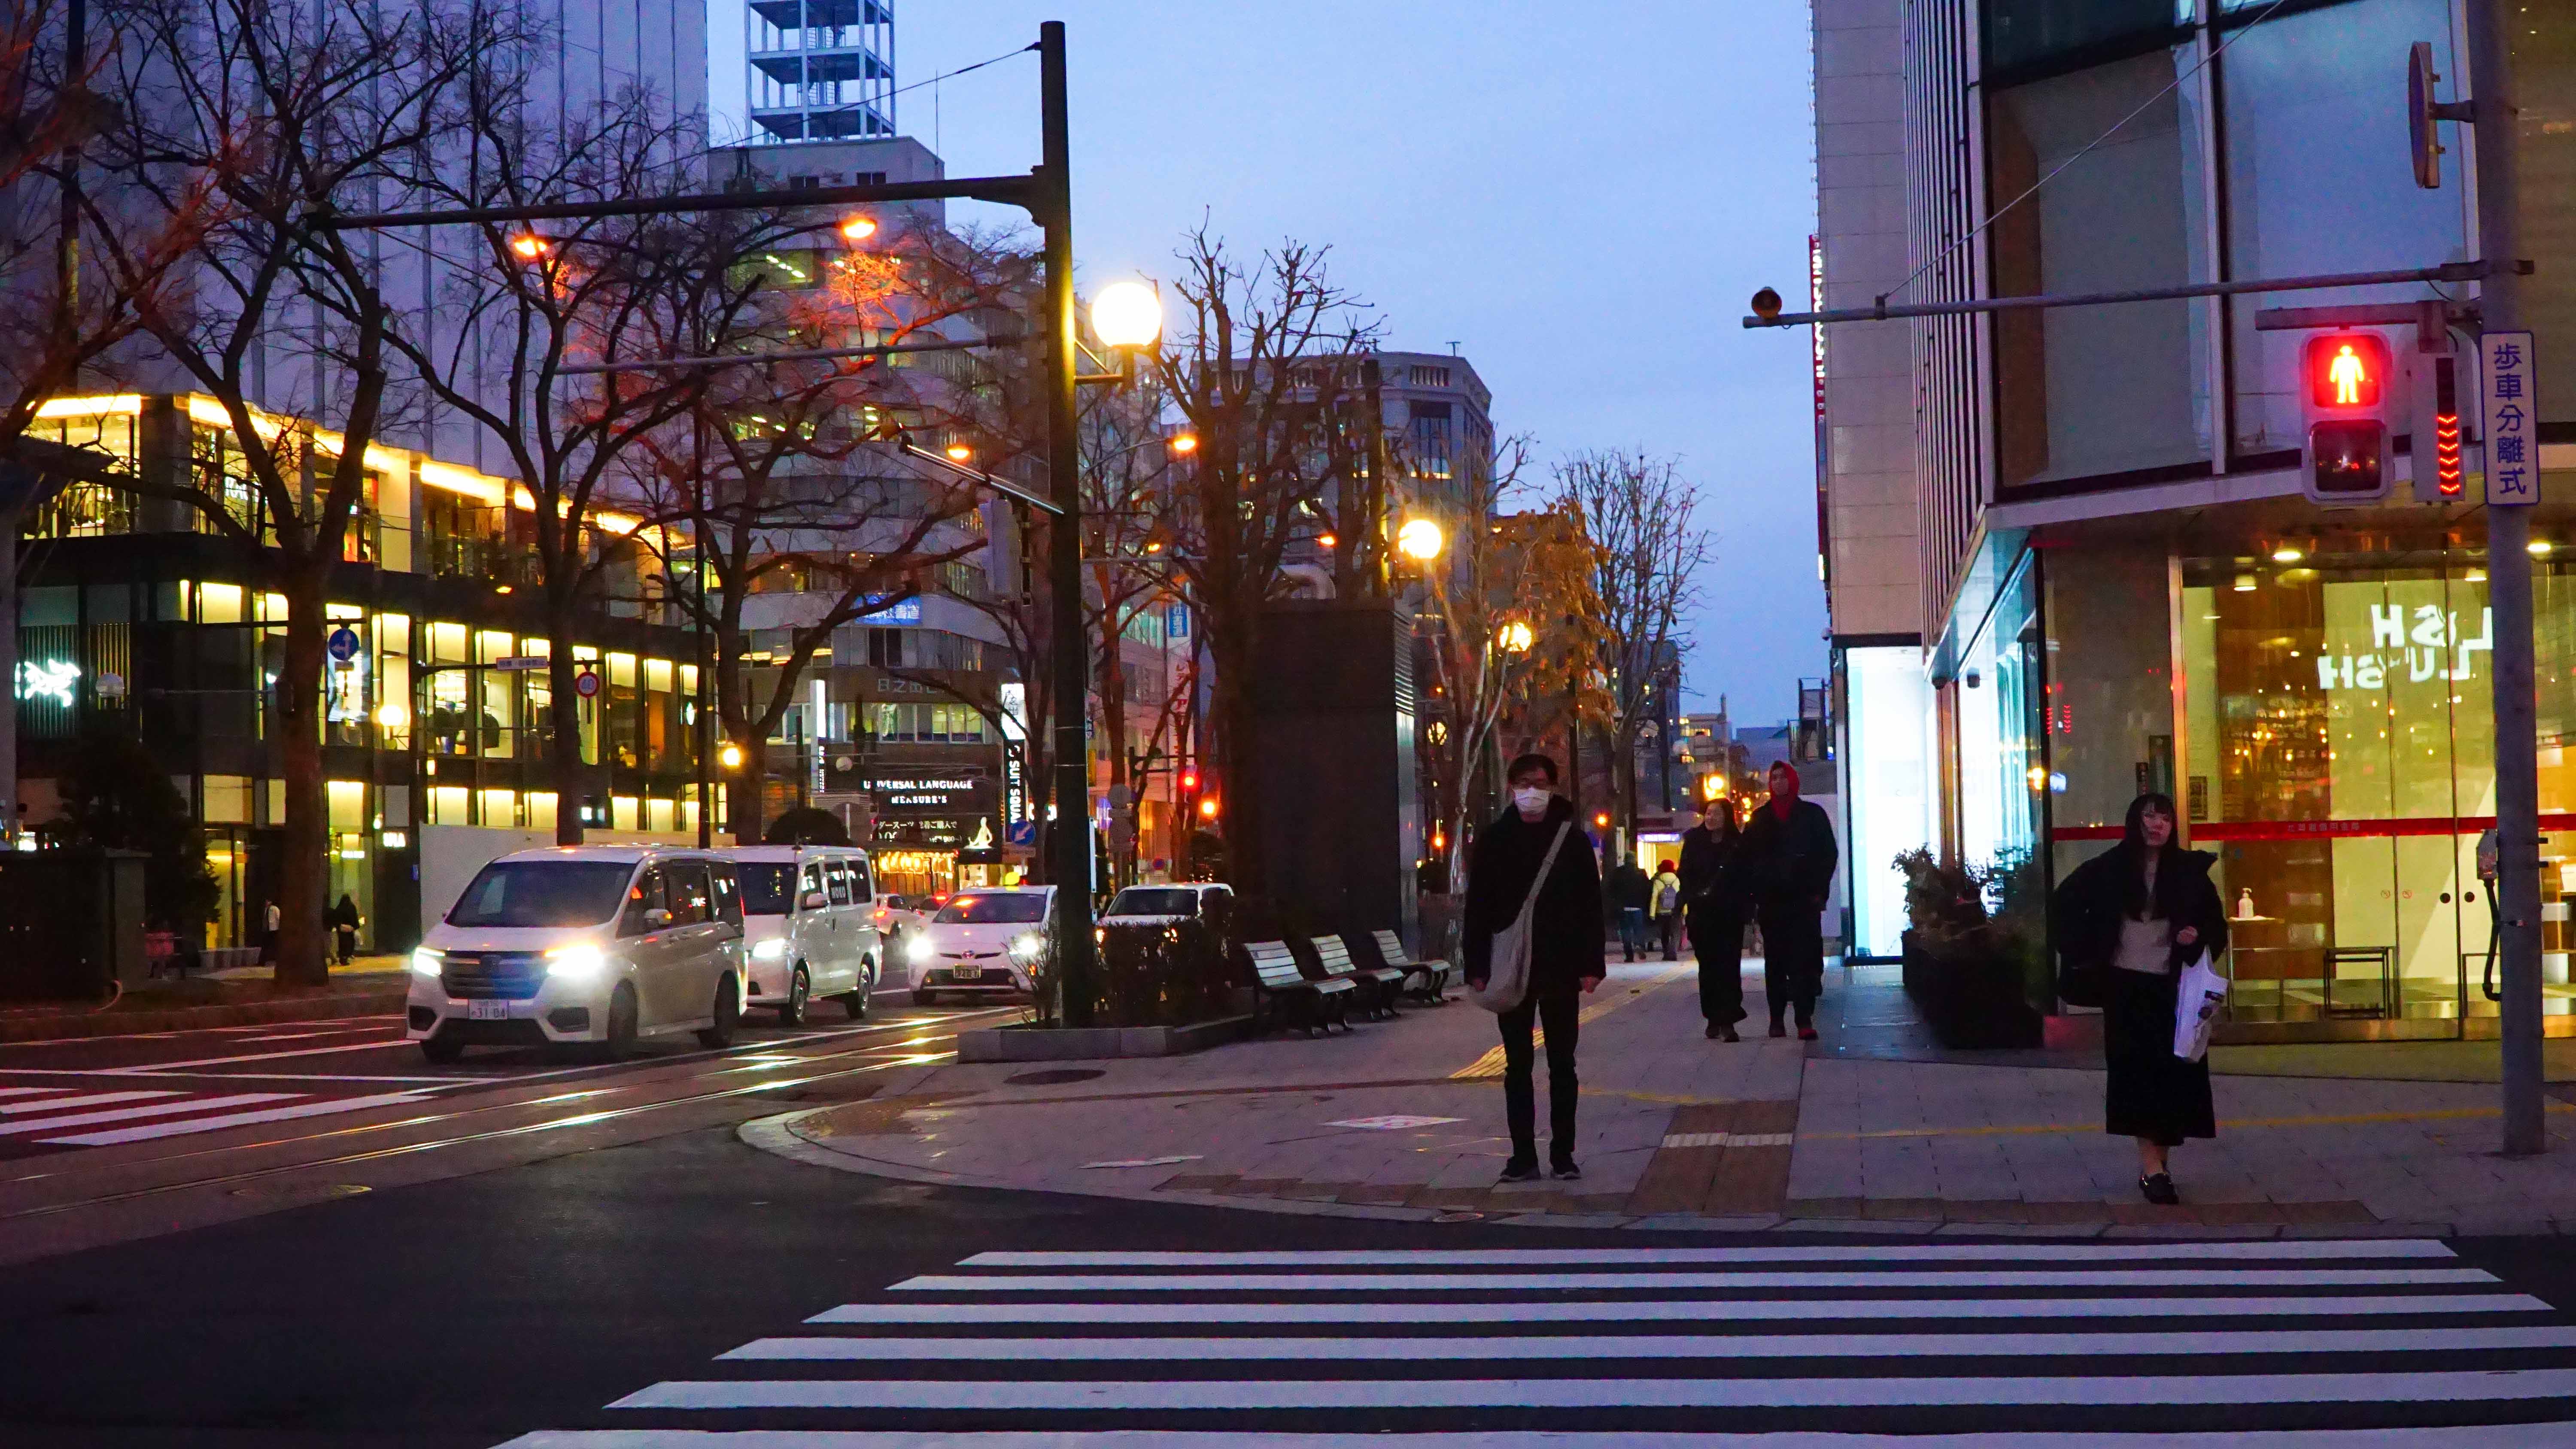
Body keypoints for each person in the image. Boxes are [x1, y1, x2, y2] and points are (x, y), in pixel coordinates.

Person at [2054, 792, 2227, 1206]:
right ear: (2135, 821)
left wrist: (2195, 936)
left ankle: (2158, 1167)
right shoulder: (2109, 868)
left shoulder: (2188, 871)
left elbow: (2214, 924)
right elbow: (2064, 904)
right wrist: (2089, 950)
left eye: (2164, 818)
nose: (2157, 825)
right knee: (2136, 1075)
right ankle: (2153, 1169)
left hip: (2174, 989)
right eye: (2149, 817)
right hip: (2125, 987)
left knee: (2171, 1076)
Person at [1462, 752, 1606, 1182]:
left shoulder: (1572, 840)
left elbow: (1591, 906)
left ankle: (1563, 1154)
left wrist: (1591, 965)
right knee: (1517, 1066)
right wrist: (1477, 966)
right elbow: (1478, 907)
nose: (1532, 792)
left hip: (1561, 965)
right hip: (1512, 966)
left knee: (1563, 1064)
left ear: (1552, 788)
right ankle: (1523, 1155)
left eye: (1540, 784)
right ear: (1511, 787)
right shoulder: (1495, 840)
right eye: (1524, 783)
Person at [1738, 760, 1838, 1040]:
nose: (1779, 782)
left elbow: (1828, 854)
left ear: (1792, 781)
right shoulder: (1761, 819)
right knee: (1776, 963)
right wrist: (1755, 895)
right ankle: (1777, 1019)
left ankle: (1804, 1019)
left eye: (1783, 777)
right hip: (1772, 903)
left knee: (1804, 962)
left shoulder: (1812, 816)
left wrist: (1818, 891)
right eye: (1774, 778)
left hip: (1804, 902)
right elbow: (1747, 859)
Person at [1678, 795, 1750, 1040]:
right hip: (1702, 915)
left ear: (1727, 816)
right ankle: (1712, 1016)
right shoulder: (1694, 842)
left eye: (1717, 813)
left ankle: (1728, 1020)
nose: (1711, 818)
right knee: (1708, 967)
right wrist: (1691, 899)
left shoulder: (1737, 844)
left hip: (1730, 915)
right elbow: (1684, 874)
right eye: (1708, 813)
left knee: (1729, 966)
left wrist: (1746, 909)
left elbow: (1746, 878)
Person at [1606, 854, 1651, 963]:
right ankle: (1639, 945)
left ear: (1625, 860)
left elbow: (1611, 890)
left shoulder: (1618, 873)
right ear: (1635, 861)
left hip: (1623, 907)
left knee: (1625, 930)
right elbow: (1648, 889)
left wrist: (1615, 904)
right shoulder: (1641, 873)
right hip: (1638, 906)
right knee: (1638, 929)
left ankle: (1629, 955)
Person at [1649, 859, 1684, 960]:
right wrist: (1685, 911)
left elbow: (1654, 898)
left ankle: (1666, 953)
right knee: (1675, 933)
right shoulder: (1677, 880)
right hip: (1675, 911)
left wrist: (1652, 914)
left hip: (1662, 912)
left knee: (1664, 934)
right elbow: (1682, 896)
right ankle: (1673, 953)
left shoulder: (1658, 881)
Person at [328, 893, 361, 967]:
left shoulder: (339, 908)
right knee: (350, 943)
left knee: (342, 944)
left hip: (342, 930)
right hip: (350, 930)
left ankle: (343, 957)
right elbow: (354, 917)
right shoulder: (351, 907)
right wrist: (355, 926)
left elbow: (336, 919)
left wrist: (338, 926)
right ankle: (346, 957)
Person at [259, 899, 282, 965]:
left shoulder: (275, 909)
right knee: (265, 946)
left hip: (274, 929)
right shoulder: (266, 909)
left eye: (268, 901)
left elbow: (278, 918)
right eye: (266, 902)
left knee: (274, 945)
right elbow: (265, 920)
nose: (266, 903)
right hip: (267, 930)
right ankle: (262, 962)